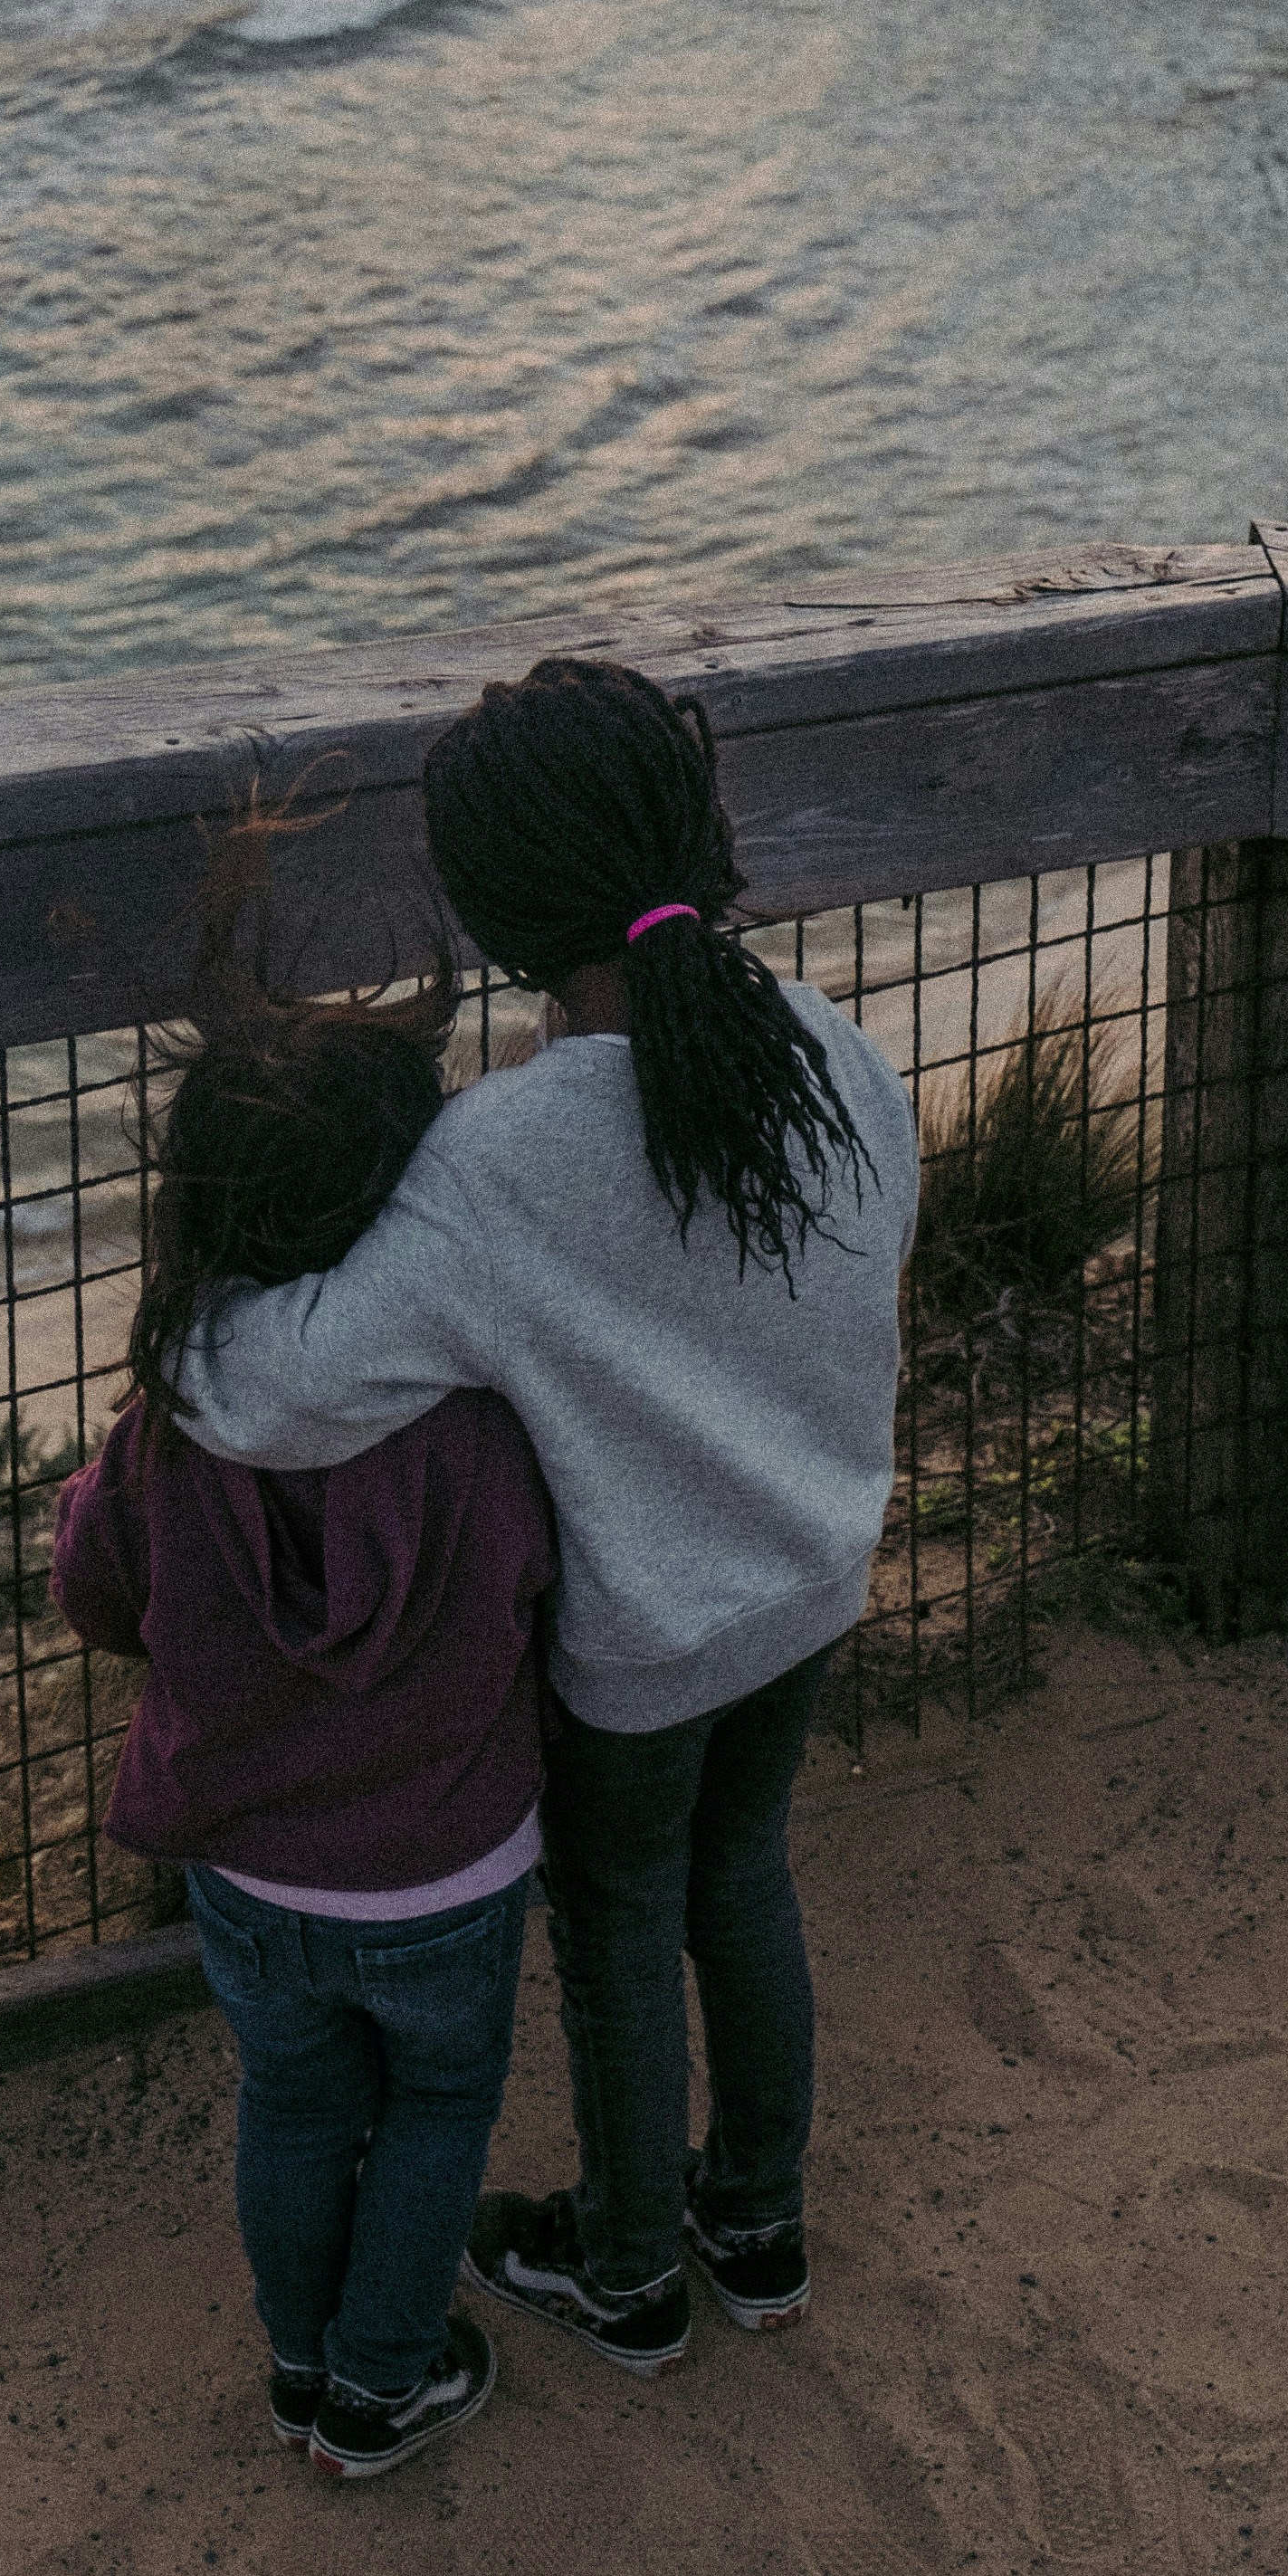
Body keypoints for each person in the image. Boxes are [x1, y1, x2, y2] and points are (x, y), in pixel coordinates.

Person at [174, 654, 919, 2377]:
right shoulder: (825, 1047)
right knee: (747, 1877)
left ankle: (632, 2267)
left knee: (615, 1931)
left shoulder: (497, 1159)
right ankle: (761, 2217)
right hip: (809, 1574)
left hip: (643, 1641)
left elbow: (284, 1385)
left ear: (498, 908)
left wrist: (180, 1314)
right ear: (693, 832)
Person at [52, 995, 555, 2486]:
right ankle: (378, 2385)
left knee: (294, 2099)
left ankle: (296, 2364)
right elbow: (539, 1582)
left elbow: (97, 1592)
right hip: (448, 1872)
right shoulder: (472, 1420)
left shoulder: (169, 1419)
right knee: (440, 2109)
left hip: (253, 1878)